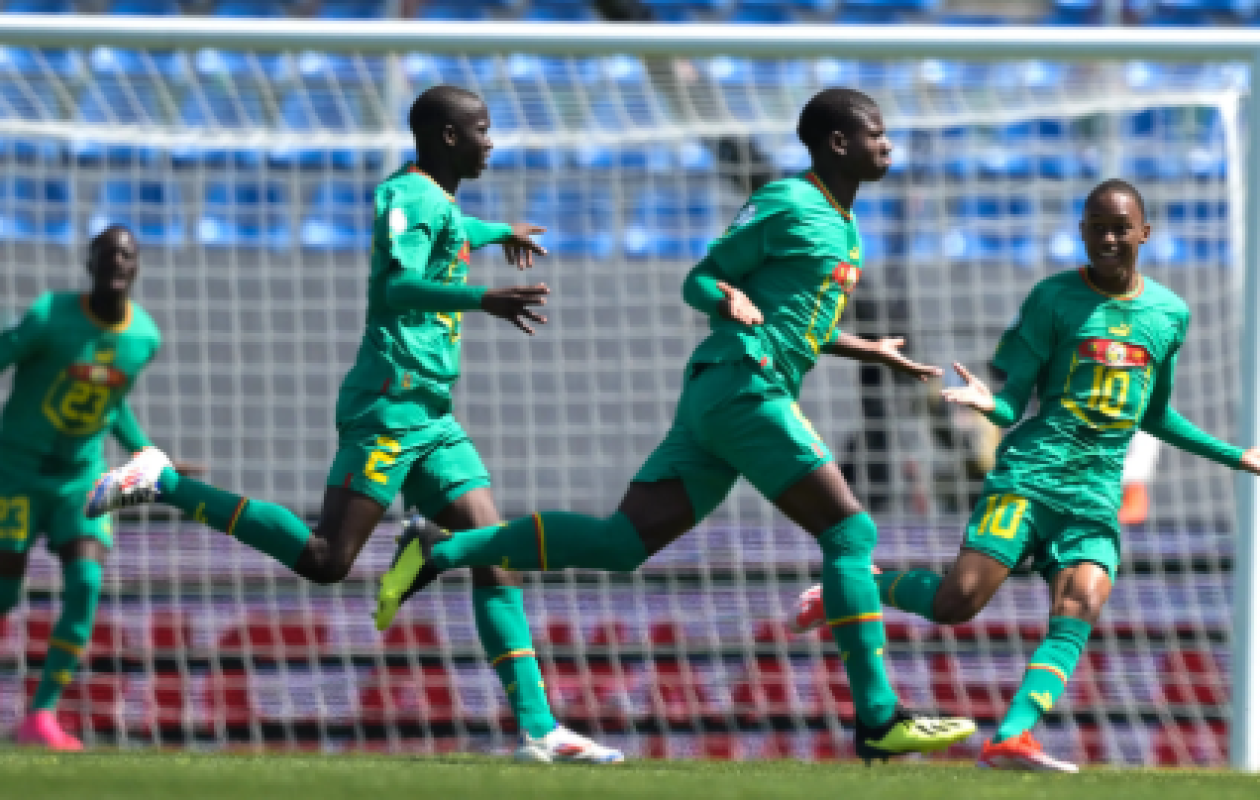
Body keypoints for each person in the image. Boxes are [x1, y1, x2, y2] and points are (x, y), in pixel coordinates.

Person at [375, 87, 977, 763]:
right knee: (849, 530)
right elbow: (702, 277)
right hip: (744, 387)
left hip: (726, 398)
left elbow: (792, 316)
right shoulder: (788, 201)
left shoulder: (845, 224)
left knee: (621, 541)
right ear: (840, 143)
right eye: (877, 134)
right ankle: (878, 718)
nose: (888, 145)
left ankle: (442, 549)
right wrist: (726, 293)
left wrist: (863, 347)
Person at [86, 86, 622, 764]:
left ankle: (539, 730)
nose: (492, 140)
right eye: (482, 129)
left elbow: (451, 232)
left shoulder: (439, 200)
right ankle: (160, 479)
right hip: (388, 407)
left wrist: (499, 234)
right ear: (448, 137)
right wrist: (481, 297)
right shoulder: (407, 197)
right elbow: (396, 286)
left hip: (432, 413)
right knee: (325, 560)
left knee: (496, 552)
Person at [787, 178, 1260, 771]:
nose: (1109, 238)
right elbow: (1014, 401)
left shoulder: (1168, 314)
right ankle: (851, 592)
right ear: (1082, 231)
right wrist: (992, 405)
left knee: (1081, 603)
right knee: (957, 603)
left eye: (1121, 227)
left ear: (1145, 233)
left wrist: (1235, 456)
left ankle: (1013, 736)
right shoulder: (1054, 299)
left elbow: (1156, 413)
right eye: (1096, 226)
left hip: (1093, 497)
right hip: (1030, 480)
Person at [0, 225, 173, 749]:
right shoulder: (50, 317)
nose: (117, 263)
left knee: (86, 585)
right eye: (107, 254)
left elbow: (110, 400)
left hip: (82, 477)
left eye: (127, 255)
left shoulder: (143, 337)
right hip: (18, 473)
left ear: (137, 266)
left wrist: (143, 450)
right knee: (5, 592)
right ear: (90, 263)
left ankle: (40, 717)